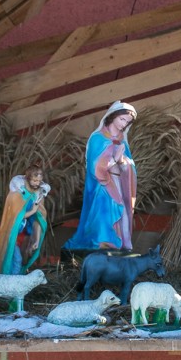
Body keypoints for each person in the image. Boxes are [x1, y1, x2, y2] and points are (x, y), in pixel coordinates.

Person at [64, 100, 137, 251]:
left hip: (119, 183)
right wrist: (113, 160)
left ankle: (120, 243)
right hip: (102, 185)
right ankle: (104, 242)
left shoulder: (122, 140)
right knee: (106, 210)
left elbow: (130, 165)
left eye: (127, 122)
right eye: (122, 119)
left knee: (122, 211)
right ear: (113, 116)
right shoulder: (98, 138)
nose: (124, 124)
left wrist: (124, 162)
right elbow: (94, 167)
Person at [0, 165, 50, 274]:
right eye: (34, 180)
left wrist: (36, 239)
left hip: (25, 235)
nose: (37, 183)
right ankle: (11, 282)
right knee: (13, 259)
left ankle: (17, 280)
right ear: (28, 178)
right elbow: (16, 216)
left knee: (22, 260)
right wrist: (33, 211)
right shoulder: (18, 192)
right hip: (14, 234)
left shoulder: (38, 194)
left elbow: (38, 220)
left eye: (39, 181)